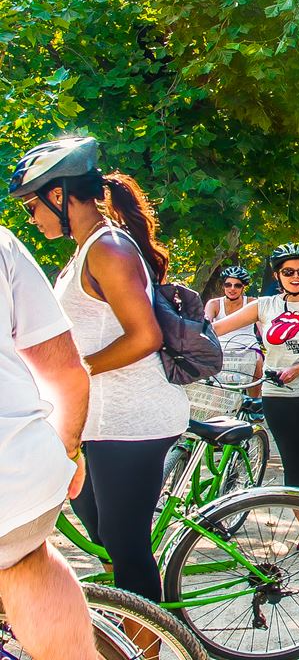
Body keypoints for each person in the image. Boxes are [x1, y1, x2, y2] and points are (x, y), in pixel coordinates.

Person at [10, 136, 189, 603]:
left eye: (32, 207)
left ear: (59, 194)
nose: (31, 219)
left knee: (127, 548)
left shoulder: (108, 248)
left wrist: (72, 369)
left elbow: (144, 336)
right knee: (105, 542)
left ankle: (151, 645)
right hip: (98, 421)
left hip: (132, 422)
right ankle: (129, 635)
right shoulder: (86, 248)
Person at [214, 243, 299, 553]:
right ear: (278, 274)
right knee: (295, 465)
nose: (295, 277)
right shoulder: (265, 306)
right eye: (288, 271)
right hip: (279, 397)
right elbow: (217, 328)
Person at [0, 225, 96, 660]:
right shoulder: (3, 244)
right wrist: (69, 449)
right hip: (16, 469)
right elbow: (64, 369)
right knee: (25, 558)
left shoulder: (108, 249)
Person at [205, 265, 264, 399]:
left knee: (258, 362)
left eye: (237, 285)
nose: (232, 289)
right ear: (223, 286)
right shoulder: (214, 304)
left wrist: (268, 339)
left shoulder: (252, 302)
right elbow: (206, 323)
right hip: (222, 347)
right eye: (228, 285)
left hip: (248, 346)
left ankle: (255, 403)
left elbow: (262, 327)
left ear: (244, 287)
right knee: (217, 385)